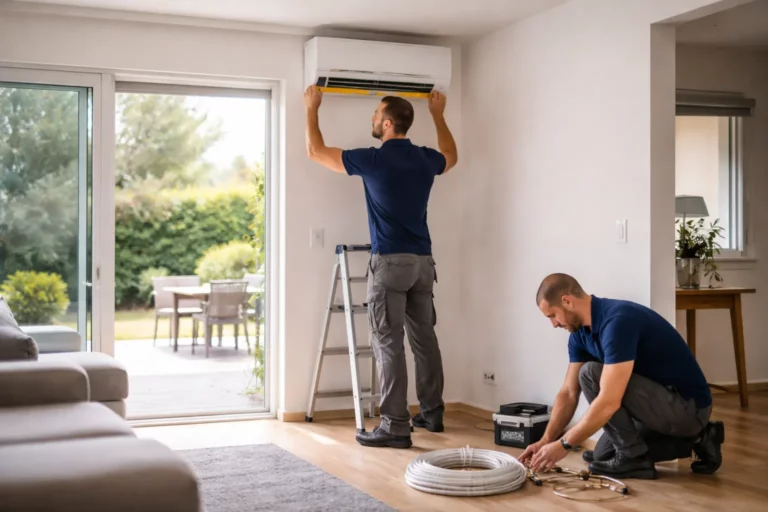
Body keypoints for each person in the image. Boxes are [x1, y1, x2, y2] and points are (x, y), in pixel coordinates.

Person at [304, 86, 458, 448]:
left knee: (388, 343)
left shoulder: (373, 159)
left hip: (390, 263)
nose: (372, 118)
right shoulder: (424, 159)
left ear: (388, 124)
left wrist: (312, 108)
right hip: (423, 263)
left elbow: (315, 151)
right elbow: (451, 156)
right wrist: (438, 115)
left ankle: (394, 425)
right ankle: (432, 412)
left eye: (376, 115)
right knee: (424, 339)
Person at [519, 273, 723, 479]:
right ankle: (700, 439)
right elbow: (569, 393)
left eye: (552, 316)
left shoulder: (618, 322)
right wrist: (545, 441)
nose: (553, 324)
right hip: (655, 406)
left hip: (687, 407)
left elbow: (609, 400)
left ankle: (636, 458)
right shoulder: (580, 334)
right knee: (602, 455)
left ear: (567, 301)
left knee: (590, 373)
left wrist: (564, 444)